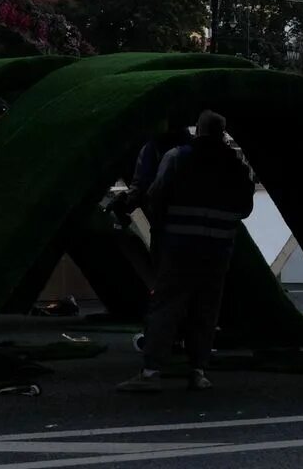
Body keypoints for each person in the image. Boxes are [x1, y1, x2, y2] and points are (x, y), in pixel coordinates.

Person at [119, 111, 254, 394]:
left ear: (198, 130)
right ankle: (198, 371)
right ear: (222, 132)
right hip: (218, 248)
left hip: (178, 245)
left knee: (166, 305)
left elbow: (155, 195)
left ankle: (152, 371)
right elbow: (245, 208)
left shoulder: (177, 156)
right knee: (206, 309)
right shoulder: (236, 164)